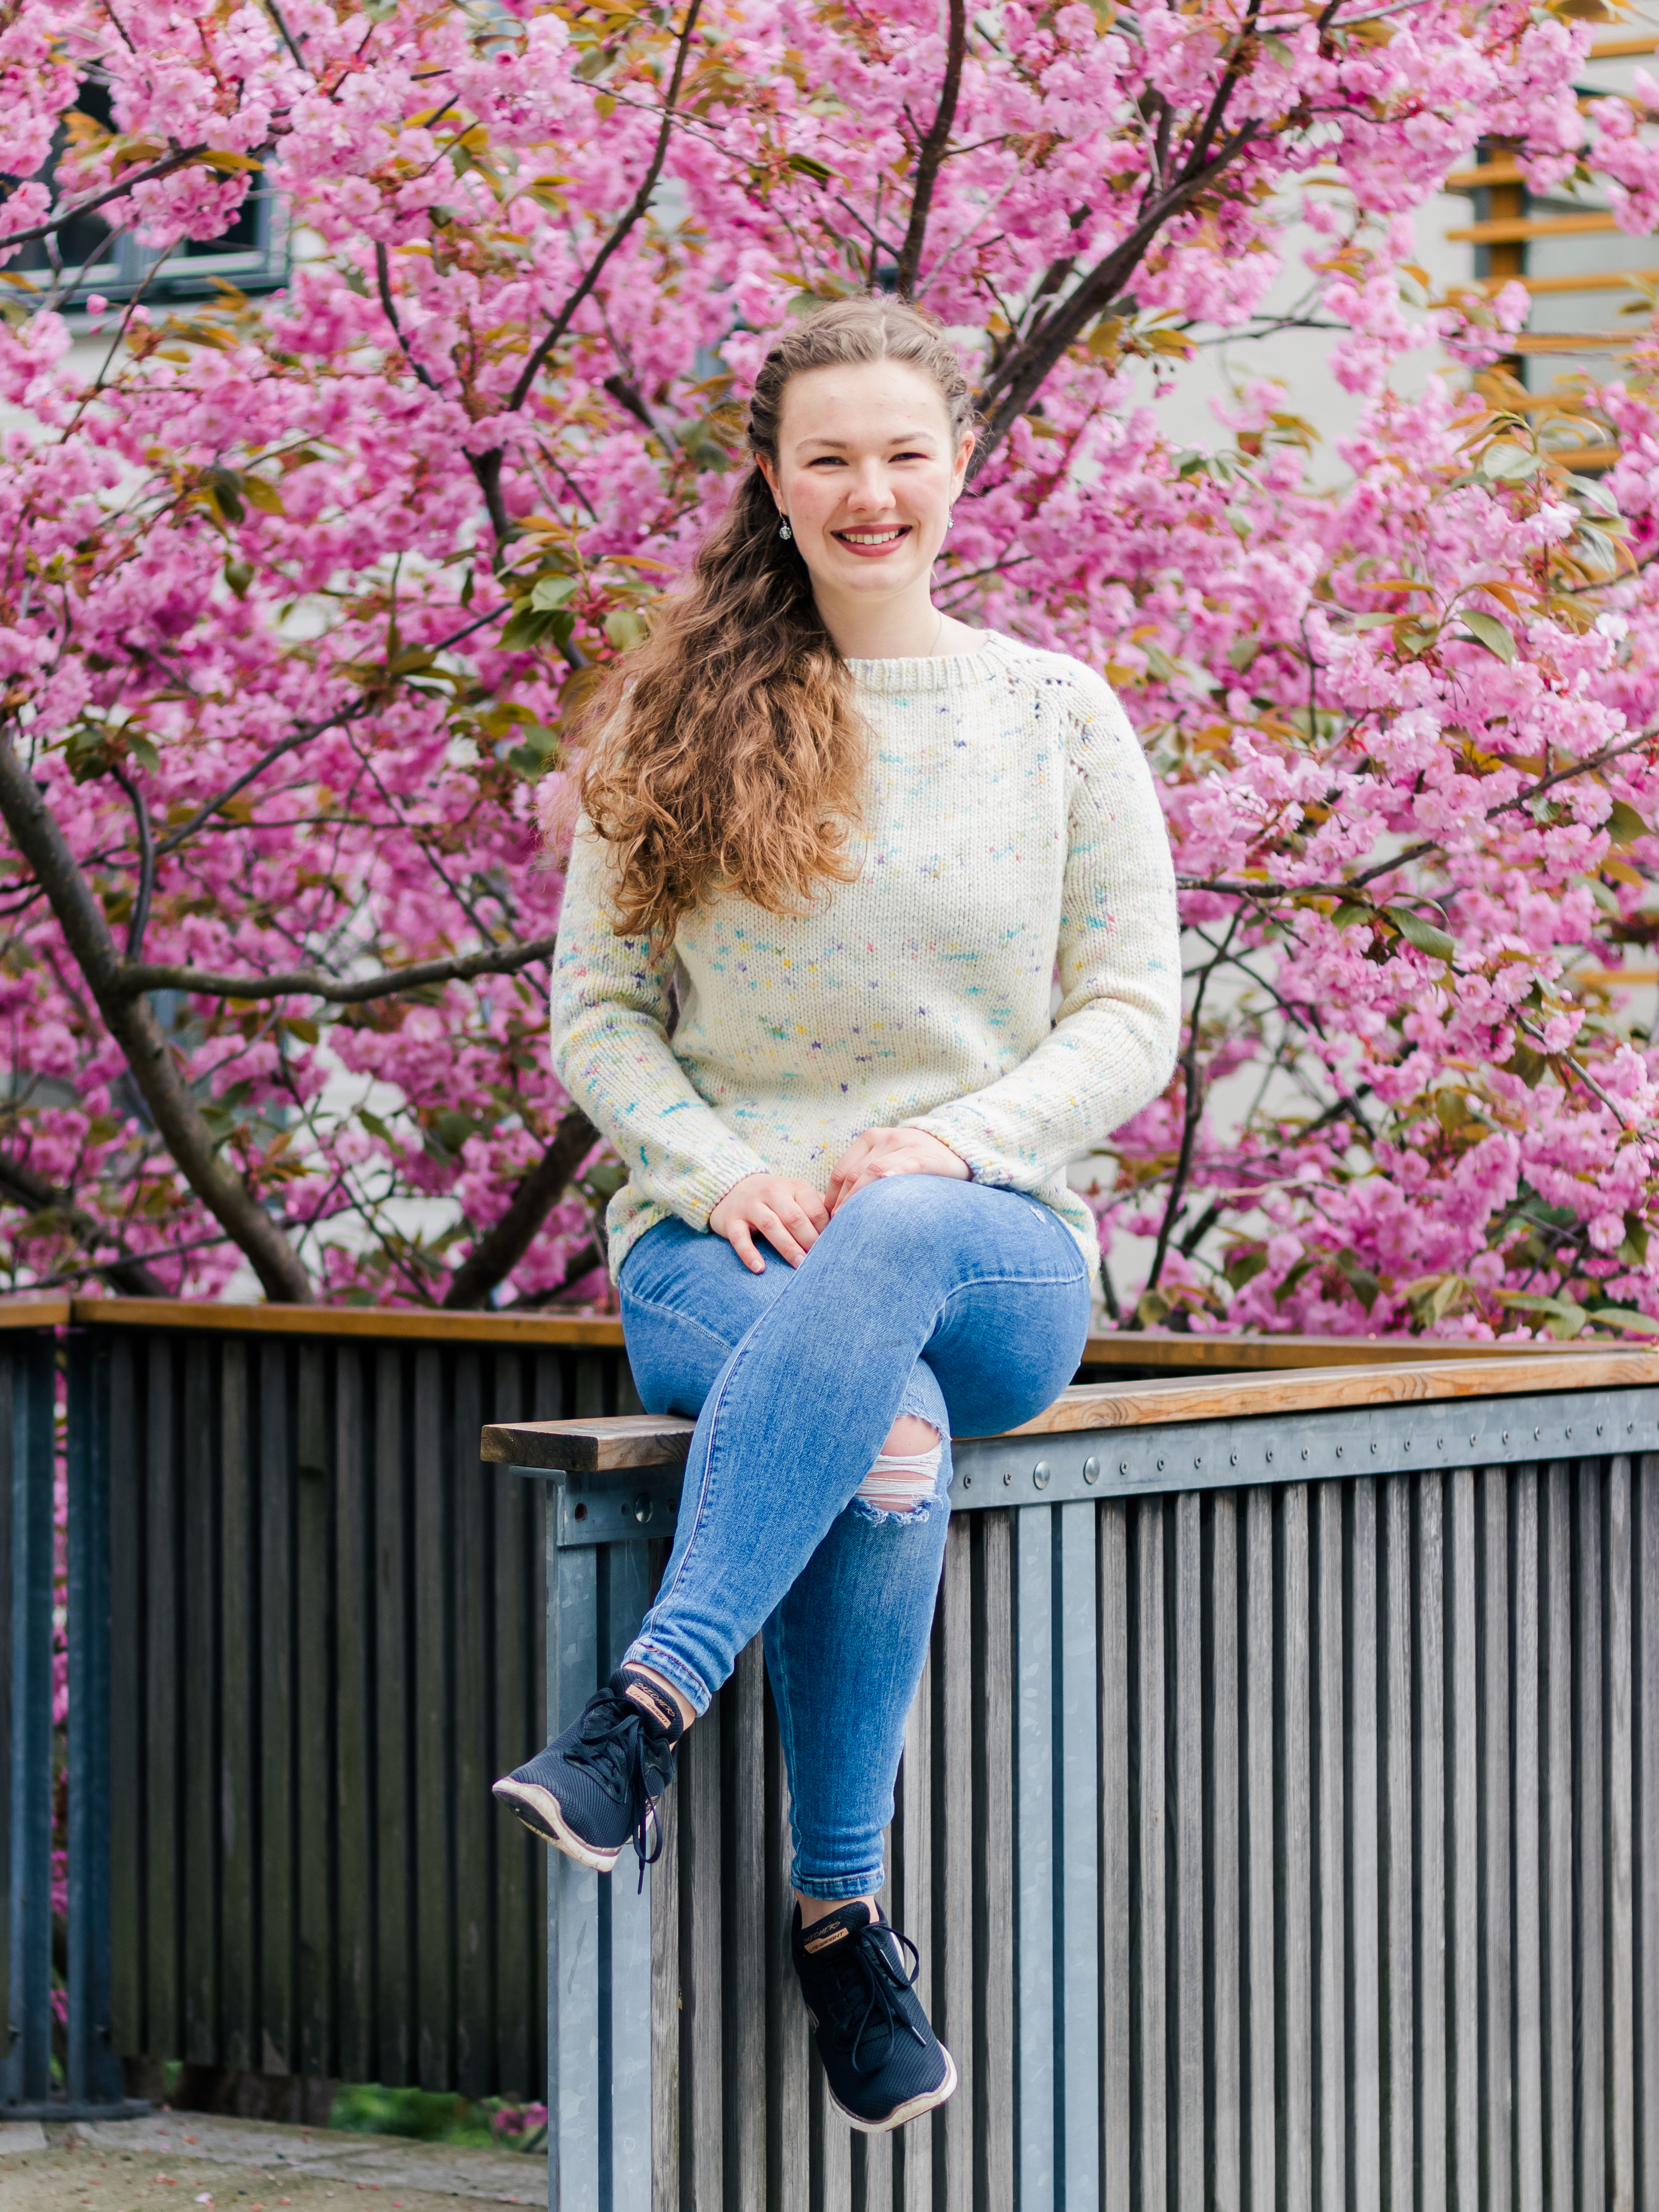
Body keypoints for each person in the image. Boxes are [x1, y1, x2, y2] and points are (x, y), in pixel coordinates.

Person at [494, 295, 1180, 2133]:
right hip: (721, 1255)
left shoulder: (1053, 713)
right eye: (830, 459)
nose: (871, 491)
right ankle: (840, 1921)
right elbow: (601, 1017)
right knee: (884, 1437)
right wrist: (726, 1171)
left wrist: (953, 1144)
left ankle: (641, 1716)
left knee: (892, 1253)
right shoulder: (675, 721)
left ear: (960, 464)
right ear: (774, 484)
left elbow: (1131, 1007)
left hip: (990, 1248)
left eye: (903, 454)